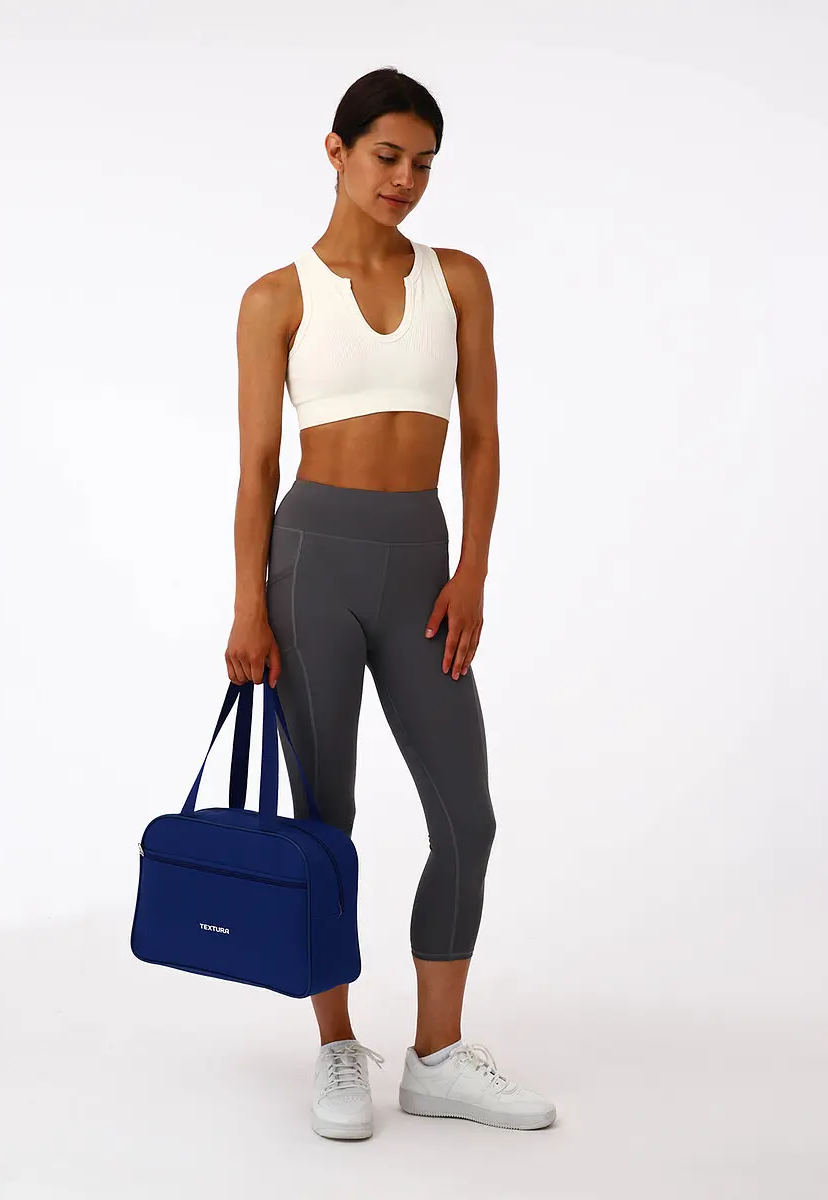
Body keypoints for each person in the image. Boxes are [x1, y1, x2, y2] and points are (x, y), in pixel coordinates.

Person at [224, 67, 556, 1139]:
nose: (404, 179)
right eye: (386, 156)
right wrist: (247, 607)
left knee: (467, 817)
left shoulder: (459, 280)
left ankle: (438, 1056)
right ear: (336, 151)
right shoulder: (277, 297)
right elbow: (257, 466)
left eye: (422, 163)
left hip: (423, 565)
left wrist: (474, 571)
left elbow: (485, 437)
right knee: (326, 821)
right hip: (310, 564)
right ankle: (335, 1046)